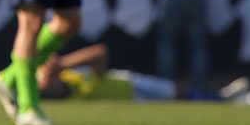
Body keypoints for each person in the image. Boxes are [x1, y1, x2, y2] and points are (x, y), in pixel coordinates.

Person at [36, 44, 176, 101]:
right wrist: (61, 64)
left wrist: (61, 64)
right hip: (131, 105)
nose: (50, 74)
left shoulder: (67, 75)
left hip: (128, 82)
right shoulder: (73, 102)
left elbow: (99, 52)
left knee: (172, 90)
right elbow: (100, 52)